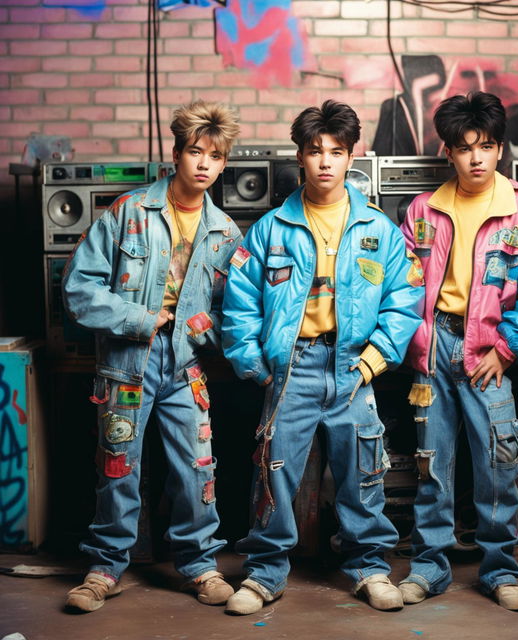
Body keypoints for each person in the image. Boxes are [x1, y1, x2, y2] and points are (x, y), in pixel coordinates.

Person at [221, 99, 424, 615]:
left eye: (337, 151)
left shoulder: (377, 229)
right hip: (293, 368)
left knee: (362, 470)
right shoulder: (271, 229)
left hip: (354, 368)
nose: (326, 162)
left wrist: (376, 359)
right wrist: (255, 363)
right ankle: (265, 572)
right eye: (316, 152)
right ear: (301, 157)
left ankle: (370, 567)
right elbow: (239, 304)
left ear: (351, 155)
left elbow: (405, 300)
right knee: (275, 470)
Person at [62, 100, 242, 612]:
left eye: (214, 156)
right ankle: (103, 569)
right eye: (194, 152)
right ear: (176, 153)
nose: (204, 163)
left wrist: (201, 327)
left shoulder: (226, 234)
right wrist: (142, 320)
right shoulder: (128, 212)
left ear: (225, 163)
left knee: (196, 468)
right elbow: (78, 289)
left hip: (187, 366)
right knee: (118, 466)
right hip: (126, 363)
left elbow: (236, 313)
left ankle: (200, 566)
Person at [398, 92, 518, 611]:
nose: (476, 158)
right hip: (435, 348)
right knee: (433, 465)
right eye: (465, 147)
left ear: (500, 149)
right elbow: (401, 285)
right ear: (447, 152)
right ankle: (429, 568)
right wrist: (418, 343)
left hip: (489, 352)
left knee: (498, 464)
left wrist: (507, 349)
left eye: (487, 146)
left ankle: (501, 570)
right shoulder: (423, 210)